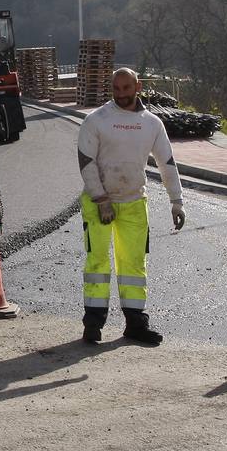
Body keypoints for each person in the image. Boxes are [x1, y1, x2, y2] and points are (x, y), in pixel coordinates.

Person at [76, 68, 186, 346]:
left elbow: (167, 163)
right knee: (97, 263)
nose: (122, 94)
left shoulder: (152, 124)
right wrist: (101, 200)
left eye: (126, 88)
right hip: (98, 203)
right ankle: (93, 324)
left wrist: (177, 202)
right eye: (117, 89)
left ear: (138, 86)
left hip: (134, 203)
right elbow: (86, 162)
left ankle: (135, 324)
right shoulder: (97, 120)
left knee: (134, 266)